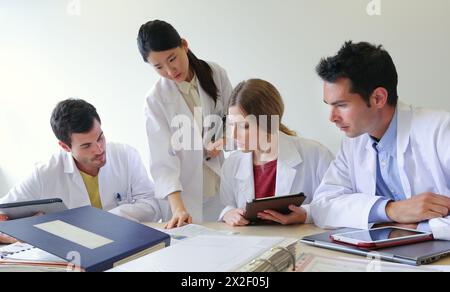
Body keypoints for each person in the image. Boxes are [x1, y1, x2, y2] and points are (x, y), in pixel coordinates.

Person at [311, 41, 450, 240]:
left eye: (341, 105)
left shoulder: (441, 130)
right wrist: (391, 211)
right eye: (329, 105)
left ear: (378, 98)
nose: (332, 117)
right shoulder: (354, 142)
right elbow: (323, 206)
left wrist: (420, 227)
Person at [0, 99, 162, 243]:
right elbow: (3, 209)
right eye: (86, 146)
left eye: (100, 137)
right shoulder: (45, 173)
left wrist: (107, 219)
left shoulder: (125, 155)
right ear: (65, 147)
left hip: (127, 241)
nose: (99, 149)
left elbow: (152, 205)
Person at [137, 20, 233, 228]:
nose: (170, 71)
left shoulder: (215, 74)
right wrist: (178, 208)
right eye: (159, 67)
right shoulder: (155, 100)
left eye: (172, 59)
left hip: (221, 187)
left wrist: (223, 139)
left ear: (184, 45)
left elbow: (233, 119)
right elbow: (163, 162)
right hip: (185, 198)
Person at [220, 79, 334, 226]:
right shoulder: (232, 164)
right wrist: (228, 213)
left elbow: (337, 202)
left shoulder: (315, 154)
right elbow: (226, 205)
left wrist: (306, 214)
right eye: (231, 125)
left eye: (244, 126)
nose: (234, 135)